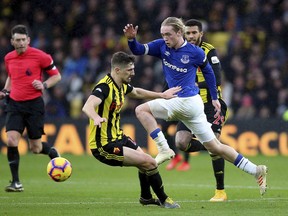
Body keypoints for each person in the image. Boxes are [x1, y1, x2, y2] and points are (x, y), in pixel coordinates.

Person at [123, 17, 268, 196]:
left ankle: (164, 149)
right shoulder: (162, 46)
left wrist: (214, 98)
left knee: (141, 110)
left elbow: (210, 74)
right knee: (215, 147)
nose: (165, 38)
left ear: (178, 32)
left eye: (168, 34)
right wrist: (131, 39)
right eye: (163, 34)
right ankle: (256, 170)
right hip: (194, 105)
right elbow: (138, 49)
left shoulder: (196, 52)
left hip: (185, 102)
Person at [82, 51, 181, 209]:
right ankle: (164, 199)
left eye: (133, 69)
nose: (133, 73)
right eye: (129, 70)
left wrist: (162, 95)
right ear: (117, 70)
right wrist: (95, 117)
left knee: (145, 160)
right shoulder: (104, 87)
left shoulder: (121, 86)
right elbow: (87, 106)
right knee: (149, 162)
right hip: (103, 145)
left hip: (118, 137)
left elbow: (137, 92)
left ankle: (146, 197)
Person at [169, 19, 229, 201]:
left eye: (194, 33)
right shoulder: (180, 51)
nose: (191, 36)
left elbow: (217, 78)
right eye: (188, 33)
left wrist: (194, 84)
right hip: (190, 105)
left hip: (212, 105)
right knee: (181, 143)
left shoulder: (209, 50)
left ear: (201, 34)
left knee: (213, 148)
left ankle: (220, 191)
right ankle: (220, 148)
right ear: (183, 34)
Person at [0, 25, 61, 192]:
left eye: (23, 40)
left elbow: (57, 76)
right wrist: (5, 90)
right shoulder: (8, 58)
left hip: (34, 105)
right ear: (12, 41)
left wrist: (44, 84)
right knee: (12, 140)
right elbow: (11, 77)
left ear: (28, 40)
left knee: (36, 148)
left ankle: (51, 151)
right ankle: (16, 182)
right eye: (17, 40)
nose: (20, 43)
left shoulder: (41, 56)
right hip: (14, 104)